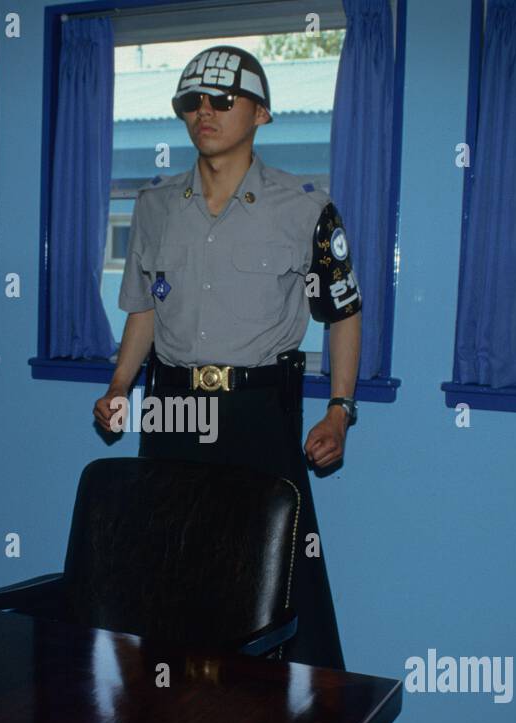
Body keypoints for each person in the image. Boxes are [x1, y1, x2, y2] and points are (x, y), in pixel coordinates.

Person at [93, 45, 363, 671]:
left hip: (257, 410)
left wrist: (339, 411)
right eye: (192, 102)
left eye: (222, 100)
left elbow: (343, 312)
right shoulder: (154, 205)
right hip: (171, 408)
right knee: (168, 567)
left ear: (261, 114)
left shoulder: (306, 208)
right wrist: (119, 387)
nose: (204, 113)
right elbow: (143, 308)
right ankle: (162, 719)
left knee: (278, 570)